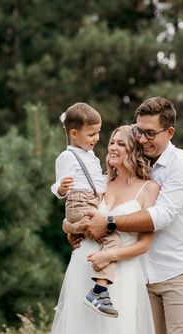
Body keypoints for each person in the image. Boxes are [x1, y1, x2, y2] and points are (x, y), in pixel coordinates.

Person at [71, 97, 183, 334]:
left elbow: (161, 217)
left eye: (150, 133)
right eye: (139, 131)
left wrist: (107, 223)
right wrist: (81, 230)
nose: (142, 139)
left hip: (176, 271)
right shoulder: (131, 164)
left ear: (170, 132)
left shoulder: (181, 165)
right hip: (137, 275)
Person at [47, 125, 159, 334]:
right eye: (111, 143)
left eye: (121, 144)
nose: (113, 148)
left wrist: (109, 254)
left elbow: (144, 245)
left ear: (134, 150)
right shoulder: (99, 182)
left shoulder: (149, 188)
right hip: (83, 266)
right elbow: (74, 216)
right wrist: (69, 227)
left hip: (122, 273)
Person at [51, 102, 122, 318]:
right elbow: (58, 185)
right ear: (73, 133)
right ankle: (98, 291)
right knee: (113, 240)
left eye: (98, 132)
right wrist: (61, 188)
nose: (97, 138)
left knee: (94, 239)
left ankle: (80, 296)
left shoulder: (90, 156)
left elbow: (95, 182)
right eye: (92, 134)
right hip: (79, 202)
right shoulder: (67, 157)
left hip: (91, 200)